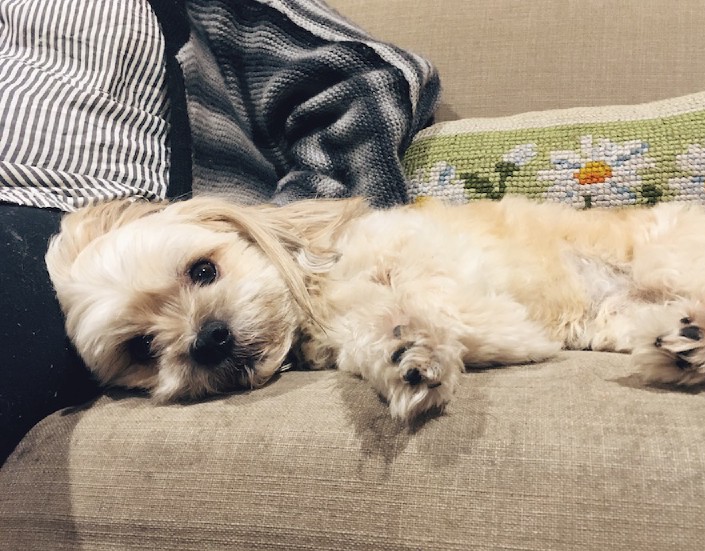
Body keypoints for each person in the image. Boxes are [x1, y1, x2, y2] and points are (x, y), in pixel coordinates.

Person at [0, 0, 440, 464]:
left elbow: (373, 74)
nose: (203, 339)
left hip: (50, 207)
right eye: (144, 346)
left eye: (204, 273)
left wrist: (291, 236)